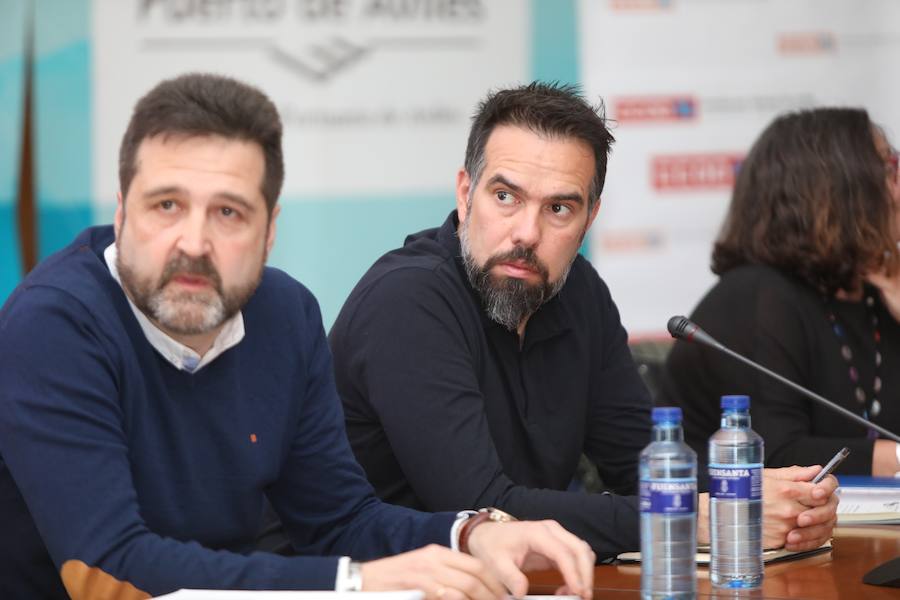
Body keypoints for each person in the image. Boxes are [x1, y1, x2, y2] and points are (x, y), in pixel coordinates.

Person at [0, 73, 596, 600]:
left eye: (229, 212)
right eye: (166, 205)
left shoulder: (285, 314)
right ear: (123, 212)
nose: (194, 242)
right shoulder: (54, 324)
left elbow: (339, 520)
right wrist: (354, 583)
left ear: (269, 231)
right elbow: (108, 568)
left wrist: (473, 533)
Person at [328, 82, 839, 561]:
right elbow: (483, 508)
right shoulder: (408, 299)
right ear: (465, 194)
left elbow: (640, 465)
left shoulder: (579, 292)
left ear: (590, 218)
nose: (526, 233)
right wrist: (693, 517)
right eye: (505, 197)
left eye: (558, 209)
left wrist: (759, 497)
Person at [659, 107, 900, 478]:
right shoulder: (756, 296)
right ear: (833, 192)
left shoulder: (879, 296)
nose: (897, 184)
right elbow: (778, 454)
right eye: (888, 167)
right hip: (731, 529)